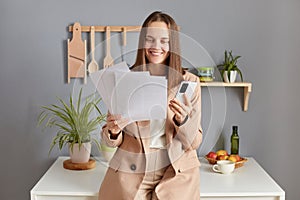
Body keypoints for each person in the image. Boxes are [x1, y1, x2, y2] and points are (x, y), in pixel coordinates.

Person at [99, 11, 202, 200]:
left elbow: (193, 143)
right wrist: (113, 132)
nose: (156, 47)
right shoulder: (124, 79)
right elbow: (109, 140)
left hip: (176, 171)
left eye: (164, 41)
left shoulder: (189, 82)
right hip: (133, 169)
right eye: (150, 39)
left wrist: (184, 120)